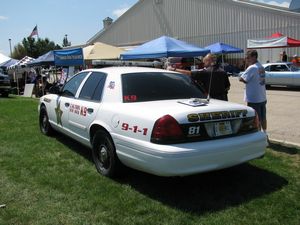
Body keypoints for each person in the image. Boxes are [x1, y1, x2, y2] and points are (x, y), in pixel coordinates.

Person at [239, 49, 267, 133]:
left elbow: (242, 79)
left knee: (255, 118)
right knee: (263, 117)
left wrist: (240, 76)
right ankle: (265, 133)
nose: (247, 59)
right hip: (262, 96)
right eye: (246, 58)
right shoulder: (260, 66)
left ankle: (258, 134)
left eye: (248, 57)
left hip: (254, 98)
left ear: (254, 57)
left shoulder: (252, 67)